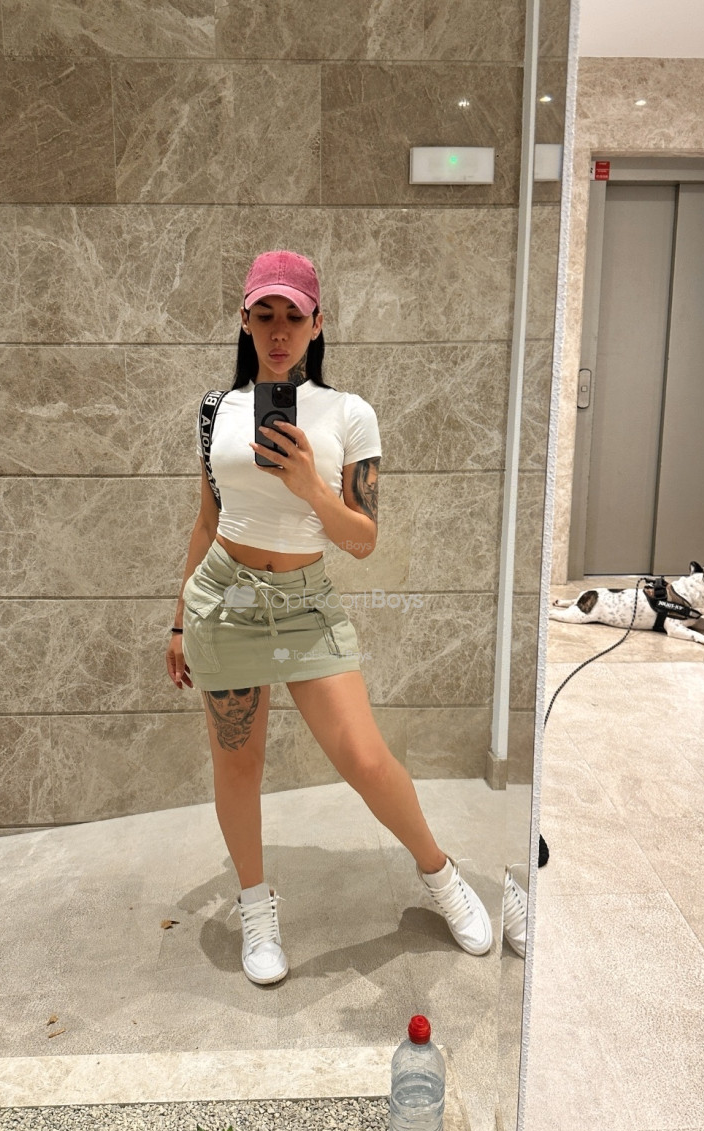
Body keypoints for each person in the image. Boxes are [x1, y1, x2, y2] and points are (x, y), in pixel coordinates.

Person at [166, 250, 494, 986]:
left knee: (366, 759)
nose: (279, 331)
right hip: (223, 601)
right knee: (238, 765)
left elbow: (363, 539)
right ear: (244, 320)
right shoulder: (216, 412)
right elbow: (205, 520)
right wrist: (179, 620)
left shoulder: (349, 413)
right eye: (264, 315)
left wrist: (309, 486)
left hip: (306, 605)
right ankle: (256, 906)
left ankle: (441, 877)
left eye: (294, 316)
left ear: (318, 324)